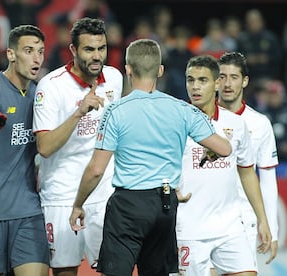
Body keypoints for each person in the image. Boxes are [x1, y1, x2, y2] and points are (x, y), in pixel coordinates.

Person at [68, 38, 232, 276]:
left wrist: (78, 204)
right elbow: (224, 148)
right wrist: (211, 152)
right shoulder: (182, 110)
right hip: (164, 206)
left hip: (128, 206)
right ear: (160, 70)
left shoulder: (116, 111)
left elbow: (96, 169)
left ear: (128, 69)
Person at [32, 17, 123, 276]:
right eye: (89, 49)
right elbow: (45, 147)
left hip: (104, 193)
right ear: (73, 50)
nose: (97, 56)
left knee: (113, 269)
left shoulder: (114, 79)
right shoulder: (51, 86)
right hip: (62, 194)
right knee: (65, 271)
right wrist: (78, 113)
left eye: (101, 48)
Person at [176, 55, 272, 275]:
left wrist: (262, 219)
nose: (195, 87)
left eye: (202, 80)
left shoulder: (236, 124)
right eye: (190, 80)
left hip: (230, 228)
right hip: (189, 228)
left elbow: (248, 174)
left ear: (217, 83)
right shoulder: (175, 123)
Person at [0, 25, 49, 276]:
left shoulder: (42, 94)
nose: (36, 58)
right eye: (28, 51)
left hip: (29, 211)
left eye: (41, 51)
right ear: (11, 54)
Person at [217, 51, 279, 265]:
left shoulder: (260, 123)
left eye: (234, 77)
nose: (227, 84)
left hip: (245, 218)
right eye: (222, 76)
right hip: (206, 216)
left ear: (245, 81)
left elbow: (268, 178)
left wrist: (272, 228)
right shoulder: (198, 119)